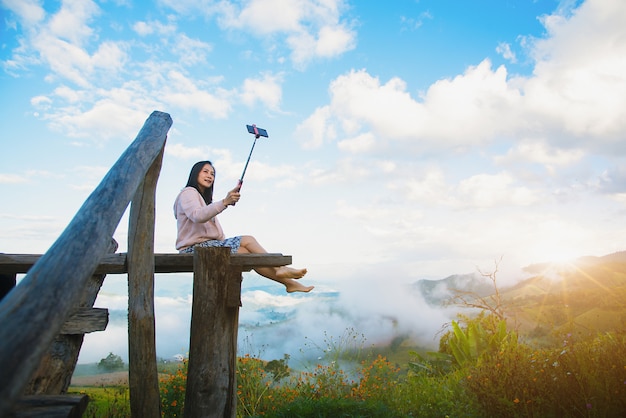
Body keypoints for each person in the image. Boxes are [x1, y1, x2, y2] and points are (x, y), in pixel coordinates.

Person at [174, 160, 313, 293]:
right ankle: (280, 268)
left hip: (206, 247)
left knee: (248, 254)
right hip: (193, 249)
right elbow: (197, 216)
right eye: (205, 172)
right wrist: (224, 202)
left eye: (212, 174)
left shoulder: (201, 198)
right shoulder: (188, 192)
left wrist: (224, 204)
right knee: (248, 239)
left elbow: (206, 222)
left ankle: (290, 284)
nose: (210, 176)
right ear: (195, 173)